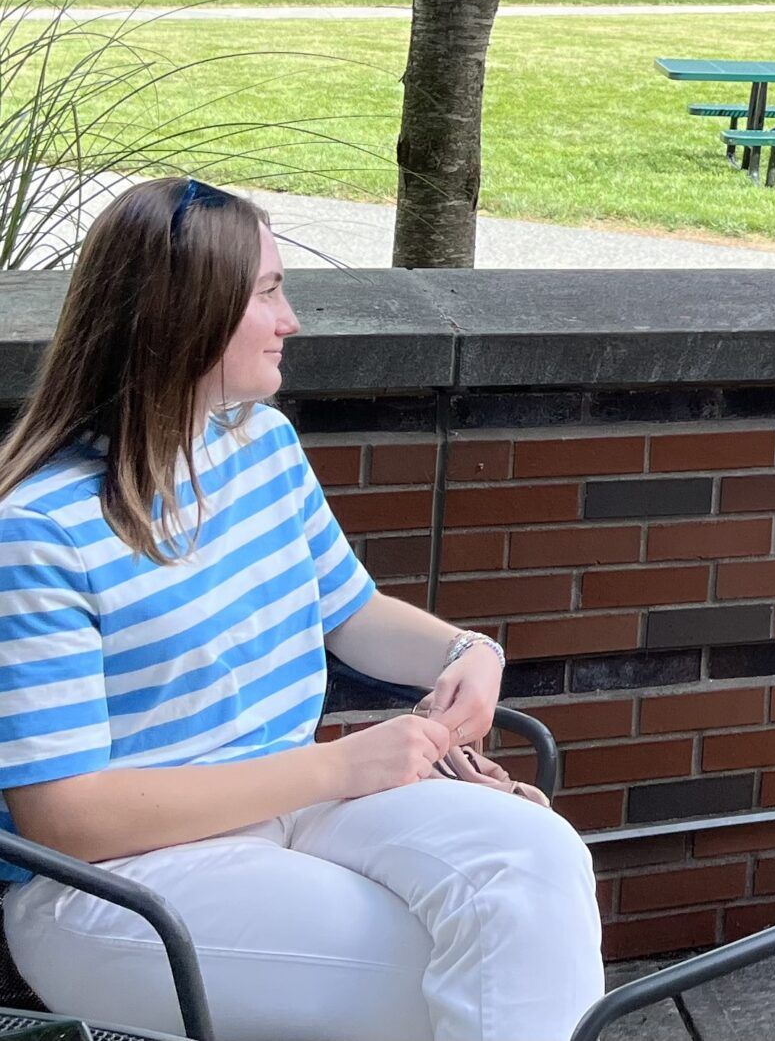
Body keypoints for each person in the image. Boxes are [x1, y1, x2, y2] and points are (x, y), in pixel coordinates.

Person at [0, 178, 603, 1041]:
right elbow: (66, 821)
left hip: (298, 809)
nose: (293, 321)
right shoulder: (37, 531)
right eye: (270, 293)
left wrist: (466, 651)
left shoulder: (257, 445)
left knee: (535, 863)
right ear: (184, 317)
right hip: (121, 887)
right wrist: (342, 767)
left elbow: (351, 614)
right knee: (479, 963)